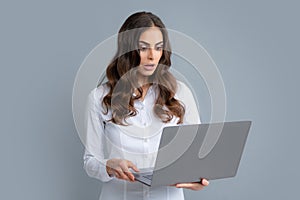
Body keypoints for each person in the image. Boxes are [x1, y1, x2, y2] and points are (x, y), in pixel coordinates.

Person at [83, 11, 209, 200]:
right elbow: (90, 161)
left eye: (158, 48)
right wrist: (109, 166)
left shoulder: (181, 94)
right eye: (143, 48)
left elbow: (197, 157)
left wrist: (199, 179)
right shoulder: (99, 98)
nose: (152, 56)